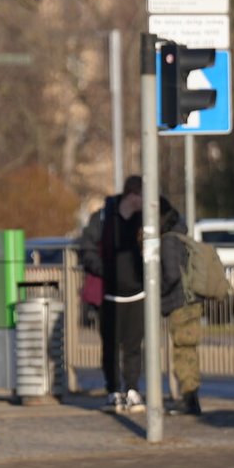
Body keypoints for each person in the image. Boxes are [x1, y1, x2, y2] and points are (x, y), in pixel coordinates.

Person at [79, 175, 145, 412]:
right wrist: (104, 271)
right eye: (142, 196)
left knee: (134, 346)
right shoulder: (104, 217)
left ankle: (132, 389)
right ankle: (113, 390)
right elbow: (87, 248)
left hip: (137, 294)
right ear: (133, 196)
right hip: (109, 295)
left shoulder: (145, 219)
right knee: (111, 346)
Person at [160, 208, 203, 416]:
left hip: (180, 303)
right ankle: (190, 396)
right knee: (189, 350)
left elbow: (171, 274)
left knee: (182, 351)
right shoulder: (183, 237)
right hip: (191, 301)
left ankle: (189, 398)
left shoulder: (168, 241)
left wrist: (158, 293)